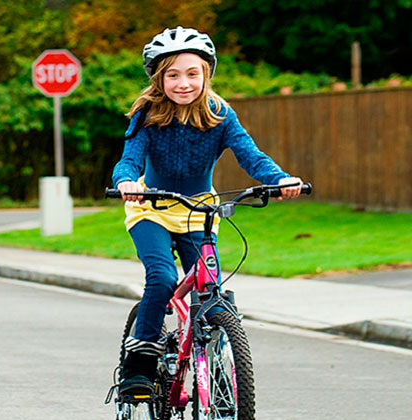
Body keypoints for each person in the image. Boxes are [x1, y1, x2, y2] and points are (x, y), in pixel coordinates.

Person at [111, 26, 302, 396]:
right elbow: (128, 160)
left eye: (192, 73)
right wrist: (126, 183)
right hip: (151, 210)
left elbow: (251, 156)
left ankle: (214, 362)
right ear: (158, 78)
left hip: (199, 211)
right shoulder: (147, 114)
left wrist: (278, 179)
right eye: (173, 75)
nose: (184, 83)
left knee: (209, 289)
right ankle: (140, 365)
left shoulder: (220, 114)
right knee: (164, 278)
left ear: (206, 74)